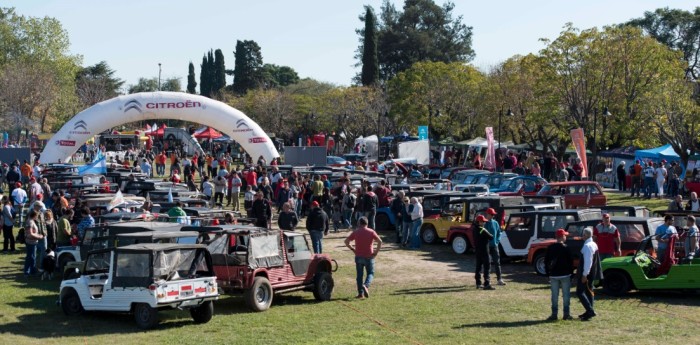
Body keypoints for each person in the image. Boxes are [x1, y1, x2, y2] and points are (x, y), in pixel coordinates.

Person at [344, 216, 382, 299]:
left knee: (359, 276)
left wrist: (353, 249)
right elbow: (380, 241)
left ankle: (360, 293)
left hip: (358, 256)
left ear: (359, 223)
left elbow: (346, 241)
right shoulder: (371, 232)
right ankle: (366, 285)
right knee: (370, 273)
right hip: (369, 256)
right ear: (367, 223)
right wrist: (375, 252)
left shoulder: (356, 232)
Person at [545, 228, 574, 321]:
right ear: (562, 237)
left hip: (554, 275)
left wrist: (548, 274)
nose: (566, 237)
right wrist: (571, 273)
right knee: (566, 296)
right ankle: (566, 314)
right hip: (565, 275)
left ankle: (554, 314)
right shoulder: (567, 248)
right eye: (565, 235)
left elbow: (546, 262)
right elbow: (571, 263)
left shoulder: (550, 248)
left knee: (554, 296)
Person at [577, 227, 601, 321]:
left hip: (587, 273)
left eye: (583, 234)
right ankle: (589, 311)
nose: (582, 236)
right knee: (589, 291)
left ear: (586, 235)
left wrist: (584, 274)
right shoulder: (593, 244)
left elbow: (588, 262)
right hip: (591, 272)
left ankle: (590, 310)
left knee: (580, 292)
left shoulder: (587, 246)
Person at [484, 208, 505, 285]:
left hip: (494, 246)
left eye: (493, 214)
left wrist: (497, 241)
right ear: (488, 215)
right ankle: (487, 281)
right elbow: (482, 234)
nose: (492, 216)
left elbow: (499, 233)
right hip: (487, 246)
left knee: (497, 262)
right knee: (487, 263)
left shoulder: (495, 223)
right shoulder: (484, 223)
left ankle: (499, 279)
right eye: (491, 214)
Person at [473, 215, 494, 290]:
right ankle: (487, 284)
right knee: (487, 267)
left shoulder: (474, 229)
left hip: (478, 251)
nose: (484, 223)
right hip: (485, 251)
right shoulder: (482, 229)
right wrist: (487, 230)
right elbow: (491, 237)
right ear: (479, 222)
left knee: (478, 267)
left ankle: (478, 283)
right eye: (483, 221)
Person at [23, 209, 43, 276]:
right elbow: (30, 234)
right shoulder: (30, 222)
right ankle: (28, 271)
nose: (37, 217)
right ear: (34, 215)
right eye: (37, 216)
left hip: (32, 241)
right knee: (30, 257)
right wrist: (39, 236)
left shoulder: (31, 221)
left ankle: (31, 271)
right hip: (31, 242)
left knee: (31, 256)